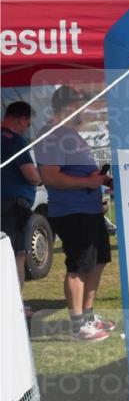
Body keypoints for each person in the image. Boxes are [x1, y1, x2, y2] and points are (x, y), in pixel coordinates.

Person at [35, 86, 115, 341]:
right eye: (80, 106)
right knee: (79, 267)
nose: (85, 112)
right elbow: (50, 177)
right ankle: (78, 323)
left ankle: (89, 316)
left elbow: (80, 172)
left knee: (98, 261)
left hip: (89, 209)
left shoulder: (70, 134)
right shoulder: (51, 135)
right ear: (67, 107)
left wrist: (100, 181)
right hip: (72, 211)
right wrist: (88, 184)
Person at [1, 101, 43, 291]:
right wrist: (43, 177)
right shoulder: (15, 141)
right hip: (12, 208)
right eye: (28, 124)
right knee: (16, 256)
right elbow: (32, 176)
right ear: (20, 119)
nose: (28, 128)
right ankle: (16, 308)